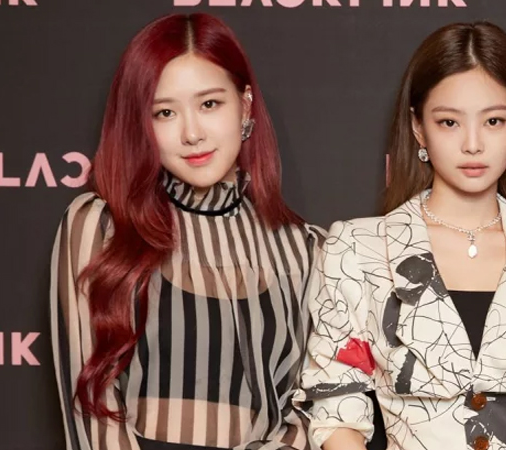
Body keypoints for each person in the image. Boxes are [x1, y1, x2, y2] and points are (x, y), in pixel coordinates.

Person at [296, 21, 506, 450]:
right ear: (418, 127)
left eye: (494, 121)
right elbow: (336, 406)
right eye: (449, 122)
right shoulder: (358, 249)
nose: (473, 144)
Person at [51, 13, 320, 450]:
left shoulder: (306, 248)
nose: (192, 133)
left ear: (245, 105)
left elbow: (316, 409)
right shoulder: (99, 227)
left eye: (209, 104)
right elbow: (90, 408)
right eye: (165, 112)